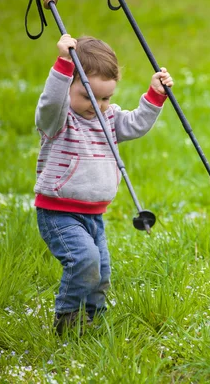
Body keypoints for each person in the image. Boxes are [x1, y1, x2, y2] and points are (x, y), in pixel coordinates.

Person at [34, 34, 173, 335]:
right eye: (87, 96)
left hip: (94, 214)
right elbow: (50, 104)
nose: (97, 106)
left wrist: (155, 94)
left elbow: (136, 124)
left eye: (105, 98)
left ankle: (94, 321)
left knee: (101, 273)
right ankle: (68, 319)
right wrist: (63, 65)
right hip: (59, 213)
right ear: (69, 86)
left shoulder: (108, 118)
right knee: (84, 260)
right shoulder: (58, 120)